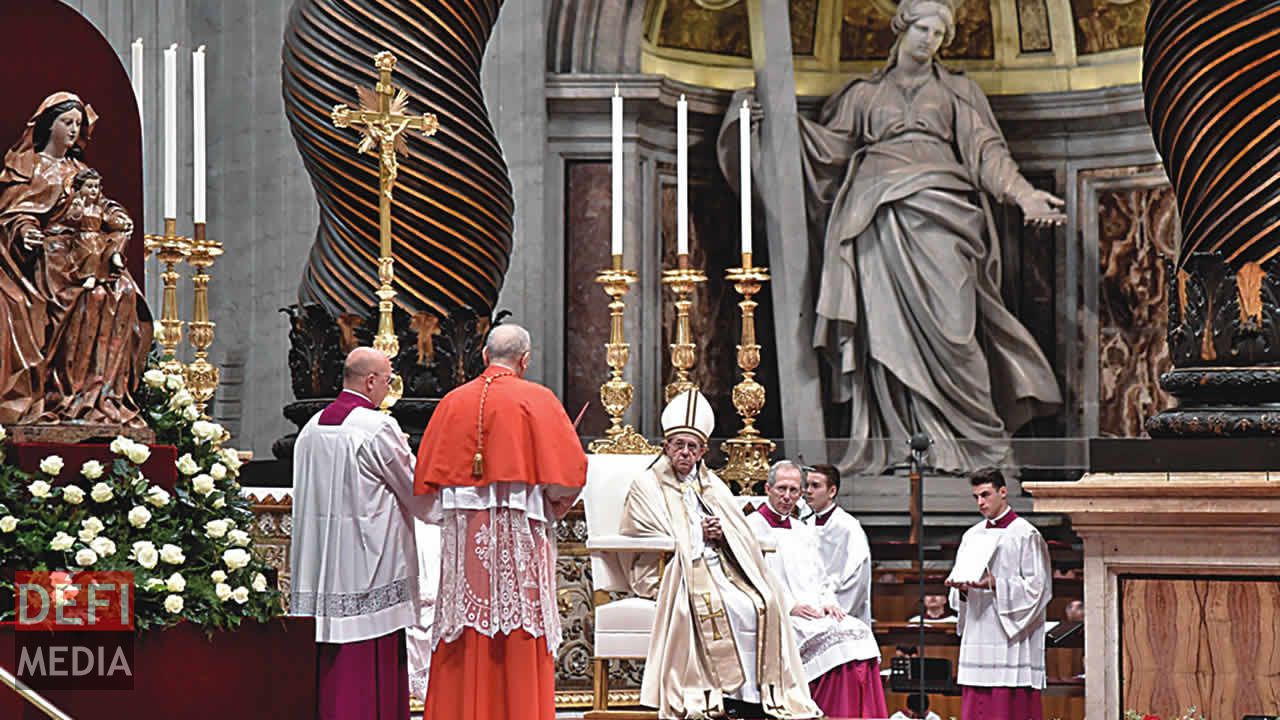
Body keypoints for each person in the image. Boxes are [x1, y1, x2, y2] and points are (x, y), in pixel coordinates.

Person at [719, 0, 1063, 474]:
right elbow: (826, 151)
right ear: (902, 29)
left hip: (944, 219)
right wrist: (770, 123)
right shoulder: (863, 95)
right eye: (923, 29)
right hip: (874, 222)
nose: (930, 40)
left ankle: (978, 445)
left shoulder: (957, 92)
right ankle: (899, 444)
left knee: (955, 330)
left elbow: (988, 153)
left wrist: (1024, 196)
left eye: (940, 34)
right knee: (883, 335)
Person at [414, 324, 587, 720]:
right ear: (525, 360)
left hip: (467, 535)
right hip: (519, 535)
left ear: (483, 355)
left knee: (467, 622)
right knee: (518, 621)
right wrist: (553, 503)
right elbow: (567, 478)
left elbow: (425, 491)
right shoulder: (537, 400)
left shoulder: (453, 402)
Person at [619, 389, 820, 719]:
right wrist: (699, 533)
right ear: (666, 446)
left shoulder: (711, 485)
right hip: (673, 569)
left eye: (693, 447)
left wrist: (722, 533)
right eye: (679, 445)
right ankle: (717, 695)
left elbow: (739, 530)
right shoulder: (646, 484)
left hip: (720, 565)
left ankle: (755, 696)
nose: (685, 452)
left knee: (764, 601)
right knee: (728, 606)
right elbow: (644, 532)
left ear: (702, 451)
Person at [290, 347, 430, 720]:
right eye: (387, 381)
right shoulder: (377, 428)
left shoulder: (312, 426)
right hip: (367, 565)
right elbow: (415, 488)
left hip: (320, 563)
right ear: (371, 381)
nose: (388, 389)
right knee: (369, 657)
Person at [0, 91, 151, 426]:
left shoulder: (80, 168)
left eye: (78, 124)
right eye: (66, 122)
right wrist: (25, 231)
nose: (72, 129)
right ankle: (63, 395)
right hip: (49, 260)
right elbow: (15, 213)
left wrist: (117, 215)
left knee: (122, 293)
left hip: (88, 252)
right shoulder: (30, 167)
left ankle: (98, 396)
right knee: (85, 299)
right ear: (47, 125)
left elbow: (100, 204)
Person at [747, 461, 887, 718]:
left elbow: (820, 576)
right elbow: (753, 576)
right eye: (781, 489)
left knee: (859, 633)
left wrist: (828, 601)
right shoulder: (751, 527)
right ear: (767, 488)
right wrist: (790, 605)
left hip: (812, 609)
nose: (787, 496)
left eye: (794, 490)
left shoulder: (803, 530)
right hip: (782, 613)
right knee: (839, 643)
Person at [945, 467, 1052, 720]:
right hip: (978, 630)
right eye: (976, 497)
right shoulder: (971, 536)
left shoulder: (1026, 534)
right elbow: (961, 586)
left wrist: (996, 584)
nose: (981, 502)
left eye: (986, 494)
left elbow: (1038, 588)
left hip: (1009, 635)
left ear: (1003, 492)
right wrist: (961, 590)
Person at [803, 462, 873, 626]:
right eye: (806, 485)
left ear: (832, 491)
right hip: (810, 605)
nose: (808, 491)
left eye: (815, 486)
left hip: (838, 607)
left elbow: (858, 573)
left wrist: (836, 606)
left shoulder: (847, 527)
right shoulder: (804, 524)